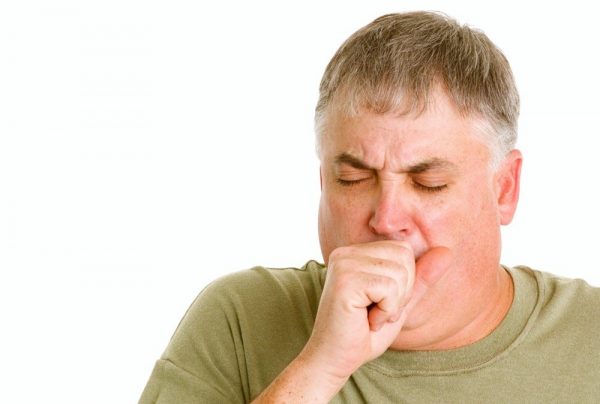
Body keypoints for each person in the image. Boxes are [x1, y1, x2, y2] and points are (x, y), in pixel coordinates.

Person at [140, 11, 600, 403]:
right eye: (354, 180)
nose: (386, 219)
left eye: (428, 183)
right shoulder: (240, 318)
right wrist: (319, 369)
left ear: (504, 189)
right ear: (323, 182)